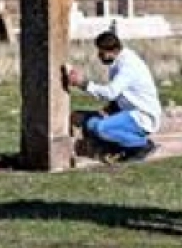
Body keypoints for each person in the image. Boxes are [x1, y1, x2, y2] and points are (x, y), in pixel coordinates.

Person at [64, 30, 162, 163]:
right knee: (90, 124)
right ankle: (115, 148)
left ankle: (141, 145)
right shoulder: (118, 62)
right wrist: (109, 109)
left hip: (142, 115)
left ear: (113, 51)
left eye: (101, 52)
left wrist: (83, 84)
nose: (99, 56)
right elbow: (123, 94)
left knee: (101, 128)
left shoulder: (128, 65)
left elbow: (111, 92)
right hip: (128, 112)